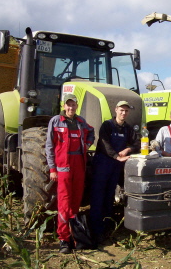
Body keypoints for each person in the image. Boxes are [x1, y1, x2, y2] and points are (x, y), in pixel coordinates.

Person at [46, 93, 95, 254]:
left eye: (73, 105)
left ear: (76, 106)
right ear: (63, 105)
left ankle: (75, 236)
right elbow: (49, 147)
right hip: (63, 167)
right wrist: (53, 169)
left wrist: (87, 145)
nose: (71, 107)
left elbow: (92, 132)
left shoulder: (81, 122)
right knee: (64, 204)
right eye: (68, 105)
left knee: (75, 202)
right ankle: (63, 239)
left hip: (79, 166)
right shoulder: (56, 121)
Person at [90, 100, 140, 244]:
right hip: (103, 164)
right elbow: (105, 144)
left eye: (126, 111)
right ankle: (96, 230)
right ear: (116, 110)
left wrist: (128, 149)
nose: (123, 113)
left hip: (115, 167)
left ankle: (107, 227)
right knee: (98, 196)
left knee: (109, 195)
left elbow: (137, 143)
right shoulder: (107, 126)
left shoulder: (128, 129)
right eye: (121, 110)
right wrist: (117, 156)